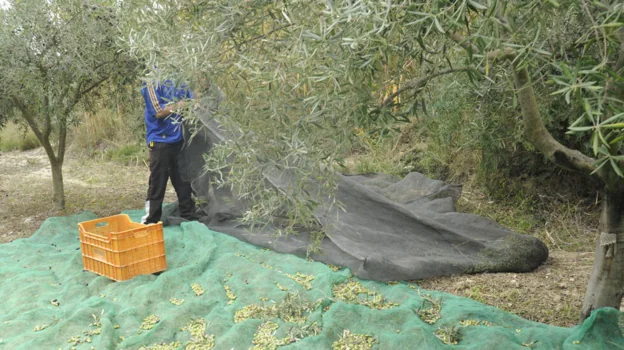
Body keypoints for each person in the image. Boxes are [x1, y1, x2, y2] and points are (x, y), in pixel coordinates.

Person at [140, 78, 197, 224]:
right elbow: (158, 111)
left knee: (183, 180)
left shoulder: (181, 77)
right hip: (159, 140)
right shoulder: (151, 81)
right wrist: (181, 104)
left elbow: (194, 100)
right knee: (158, 181)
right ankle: (151, 220)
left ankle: (188, 216)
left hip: (179, 138)